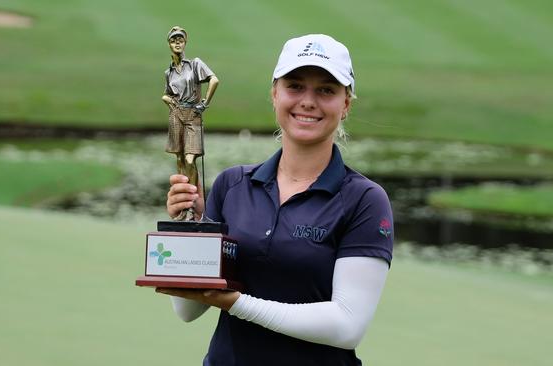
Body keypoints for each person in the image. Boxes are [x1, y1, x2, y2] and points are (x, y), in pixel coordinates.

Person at [158, 34, 394, 366]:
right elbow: (187, 310)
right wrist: (190, 229)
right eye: (295, 86)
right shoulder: (231, 185)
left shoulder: (365, 201)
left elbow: (346, 325)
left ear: (345, 104)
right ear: (274, 94)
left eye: (326, 89)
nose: (308, 101)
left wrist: (235, 303)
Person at [162, 26, 219, 221]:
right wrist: (168, 100)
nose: (177, 42)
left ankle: (193, 207)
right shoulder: (168, 72)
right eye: (173, 40)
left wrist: (205, 103)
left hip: (193, 114)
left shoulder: (194, 64)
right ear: (169, 44)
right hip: (176, 114)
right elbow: (167, 94)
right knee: (179, 159)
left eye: (180, 39)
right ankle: (184, 210)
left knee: (189, 159)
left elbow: (214, 80)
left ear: (185, 42)